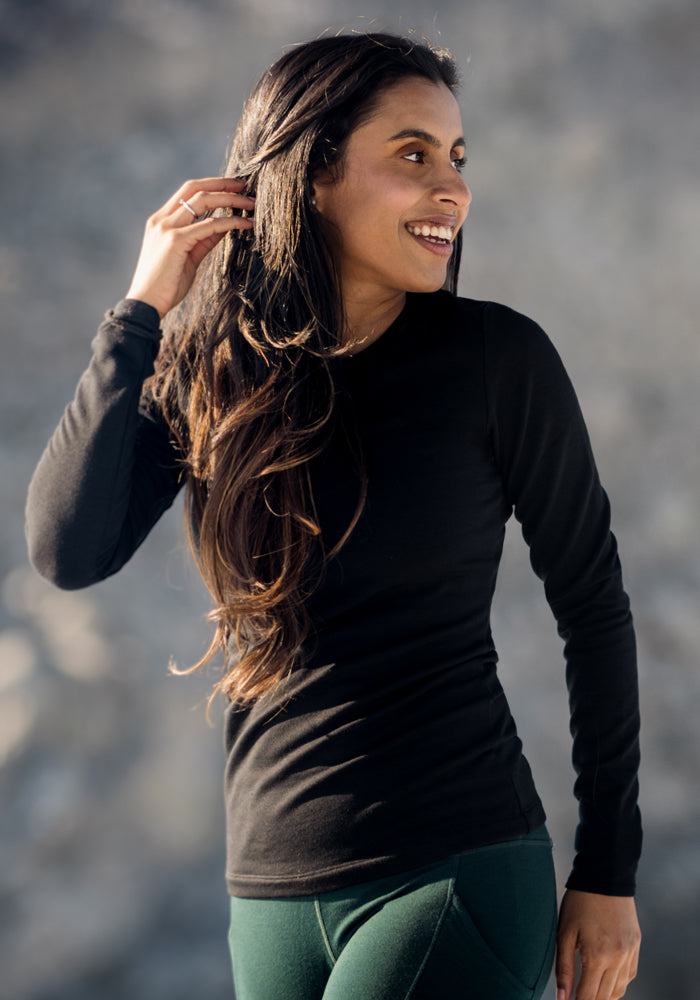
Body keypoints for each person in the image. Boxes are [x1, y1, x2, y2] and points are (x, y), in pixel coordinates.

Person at [25, 32, 641, 1000]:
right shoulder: (214, 376)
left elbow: (592, 605)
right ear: (311, 174)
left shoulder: (495, 361)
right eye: (412, 154)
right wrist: (140, 310)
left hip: (452, 866)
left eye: (456, 157)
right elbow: (67, 549)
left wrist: (607, 868)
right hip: (269, 891)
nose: (452, 188)